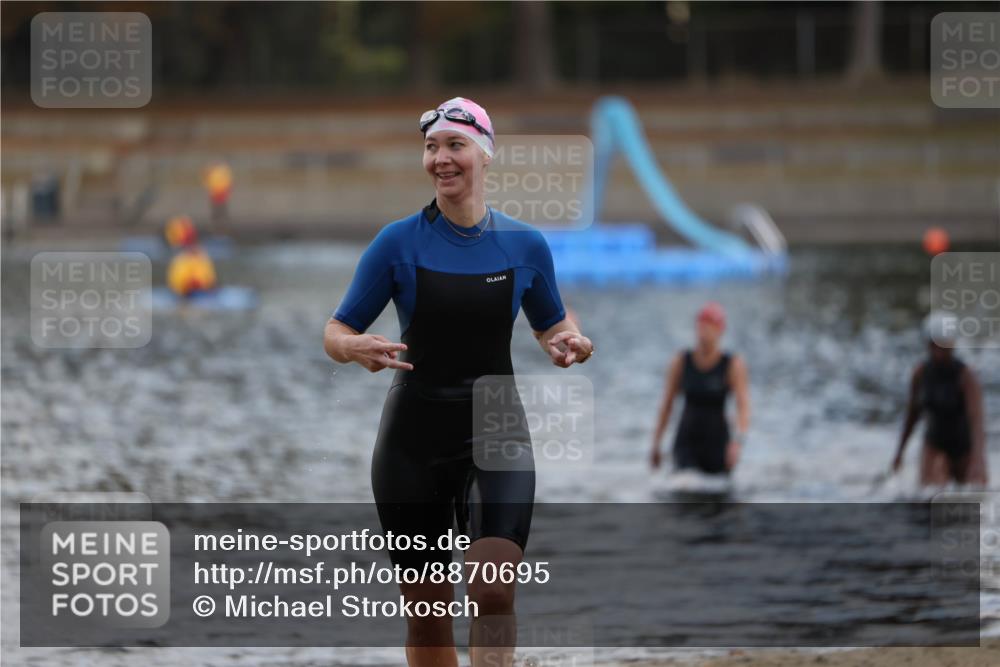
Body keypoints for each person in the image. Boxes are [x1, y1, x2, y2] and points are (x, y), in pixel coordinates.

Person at [323, 97, 594, 667]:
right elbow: (335, 330)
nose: (441, 159)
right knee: (428, 614)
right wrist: (355, 348)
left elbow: (552, 321)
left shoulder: (524, 246)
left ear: (485, 155)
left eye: (455, 145)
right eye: (431, 147)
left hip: (496, 429)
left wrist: (568, 340)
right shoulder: (397, 244)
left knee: (492, 586)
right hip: (411, 442)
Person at [650, 302, 750, 474]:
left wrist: (737, 442)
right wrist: (656, 443)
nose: (704, 332)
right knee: (684, 489)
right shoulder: (681, 362)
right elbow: (667, 405)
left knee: (718, 494)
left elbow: (743, 407)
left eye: (709, 327)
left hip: (717, 443)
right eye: (701, 327)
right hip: (687, 442)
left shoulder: (732, 364)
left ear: (720, 330)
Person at [891, 312, 987, 486]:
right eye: (934, 346)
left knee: (975, 495)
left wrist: (978, 460)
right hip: (934, 444)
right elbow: (912, 415)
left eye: (944, 347)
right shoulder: (920, 374)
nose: (939, 353)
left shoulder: (966, 377)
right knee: (930, 498)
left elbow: (977, 421)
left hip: (964, 446)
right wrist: (899, 453)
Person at [164, 215, 217, 297]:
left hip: (200, 293)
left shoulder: (201, 256)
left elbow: (210, 280)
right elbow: (176, 284)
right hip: (186, 293)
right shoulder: (181, 259)